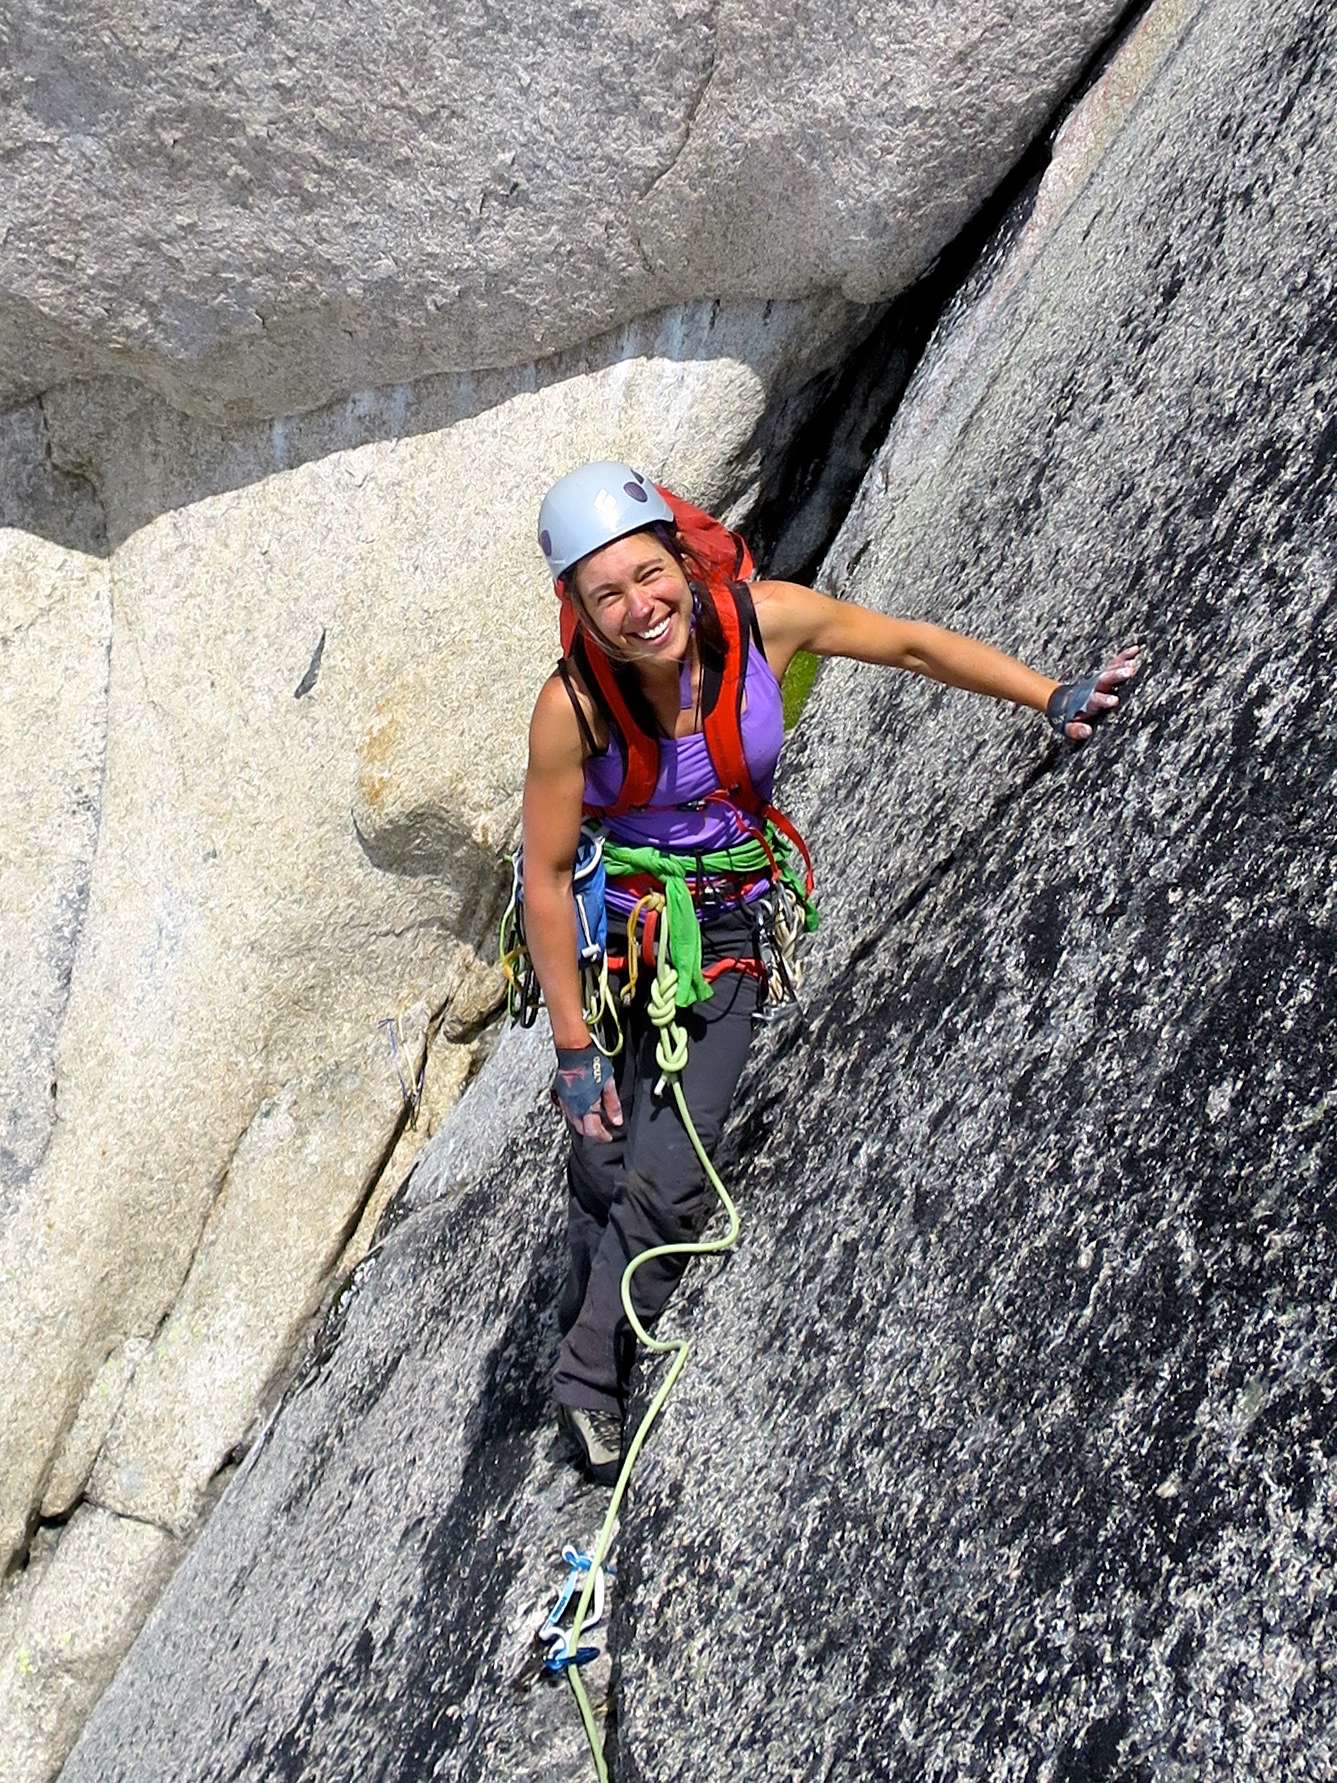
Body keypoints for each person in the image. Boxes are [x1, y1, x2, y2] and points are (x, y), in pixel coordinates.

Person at [521, 460, 1140, 1484]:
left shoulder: (763, 622)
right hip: (609, 943)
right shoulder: (573, 710)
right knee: (607, 1144)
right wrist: (573, 1050)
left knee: (673, 1177)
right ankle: (591, 1256)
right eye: (607, 596)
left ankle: (587, 1373)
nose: (640, 608)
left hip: (718, 932)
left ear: (679, 557)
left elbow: (908, 644)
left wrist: (1049, 694)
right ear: (579, 613)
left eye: (648, 574)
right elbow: (544, 875)